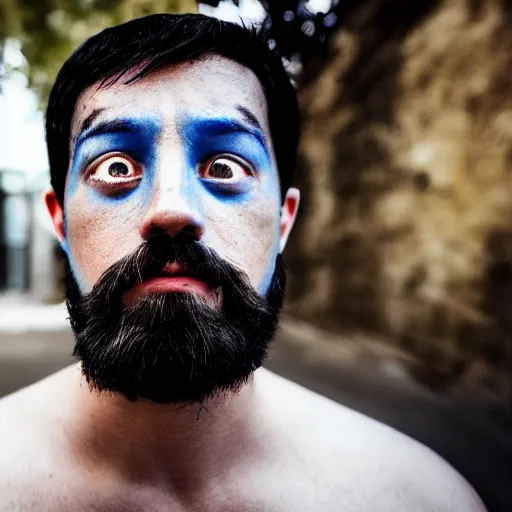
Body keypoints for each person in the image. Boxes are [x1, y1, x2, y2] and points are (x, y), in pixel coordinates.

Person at [0, 13, 486, 511]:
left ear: (282, 221)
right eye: (116, 166)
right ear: (60, 221)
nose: (172, 209)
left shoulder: (418, 497)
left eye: (225, 166)